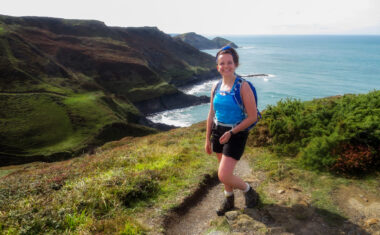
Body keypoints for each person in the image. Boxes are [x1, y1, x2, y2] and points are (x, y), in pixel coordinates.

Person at [205, 46, 259, 216]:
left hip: (236, 133)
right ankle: (229, 199)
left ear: (235, 64)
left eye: (229, 62)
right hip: (218, 130)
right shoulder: (216, 86)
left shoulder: (243, 87)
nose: (225, 66)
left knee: (223, 174)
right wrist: (207, 139)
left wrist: (233, 132)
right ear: (217, 66)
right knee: (223, 172)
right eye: (222, 63)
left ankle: (249, 191)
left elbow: (252, 117)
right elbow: (211, 113)